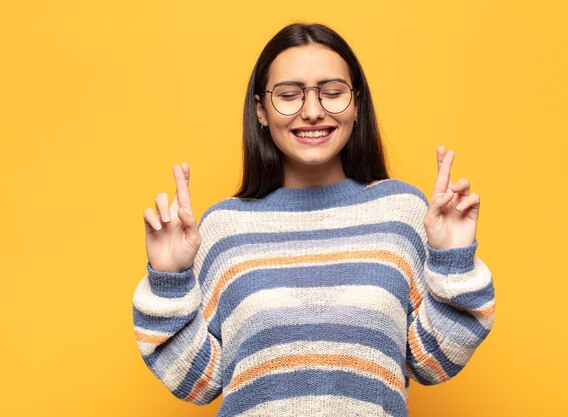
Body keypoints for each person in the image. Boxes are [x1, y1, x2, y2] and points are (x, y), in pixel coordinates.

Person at [132, 22, 495, 417]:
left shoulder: (402, 213)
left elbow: (433, 362)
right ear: (261, 111)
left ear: (357, 105)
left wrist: (453, 261)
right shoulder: (223, 228)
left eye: (333, 93)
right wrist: (168, 280)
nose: (312, 111)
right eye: (288, 95)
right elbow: (199, 381)